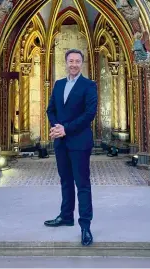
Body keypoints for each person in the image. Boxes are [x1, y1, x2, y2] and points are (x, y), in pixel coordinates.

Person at [45, 49, 98, 246]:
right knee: (65, 181)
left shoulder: (89, 85)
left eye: (77, 61)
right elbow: (50, 109)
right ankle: (66, 216)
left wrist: (65, 129)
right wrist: (57, 128)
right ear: (66, 63)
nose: (74, 64)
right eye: (70, 61)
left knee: (82, 184)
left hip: (79, 141)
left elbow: (89, 114)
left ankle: (85, 226)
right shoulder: (59, 85)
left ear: (82, 64)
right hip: (61, 142)